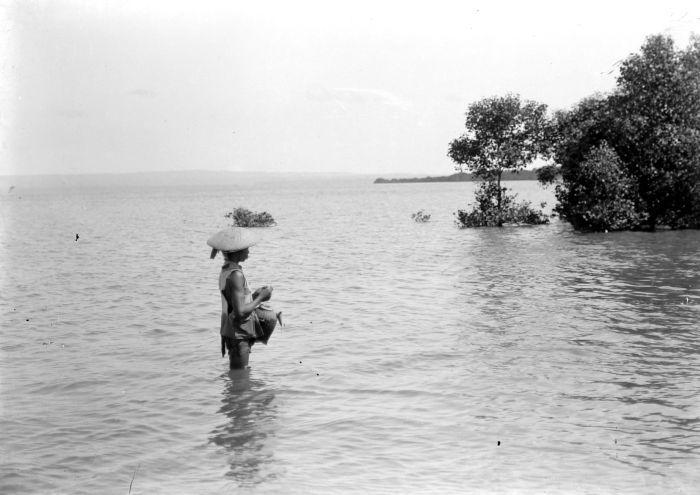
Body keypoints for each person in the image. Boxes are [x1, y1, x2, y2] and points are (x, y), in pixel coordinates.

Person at [207, 228, 272, 369]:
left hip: (232, 331)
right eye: (246, 248)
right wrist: (261, 297)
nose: (248, 251)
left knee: (238, 380)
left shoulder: (227, 270)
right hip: (238, 334)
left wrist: (253, 295)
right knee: (240, 379)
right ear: (237, 252)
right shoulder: (236, 275)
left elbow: (232, 302)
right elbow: (240, 312)